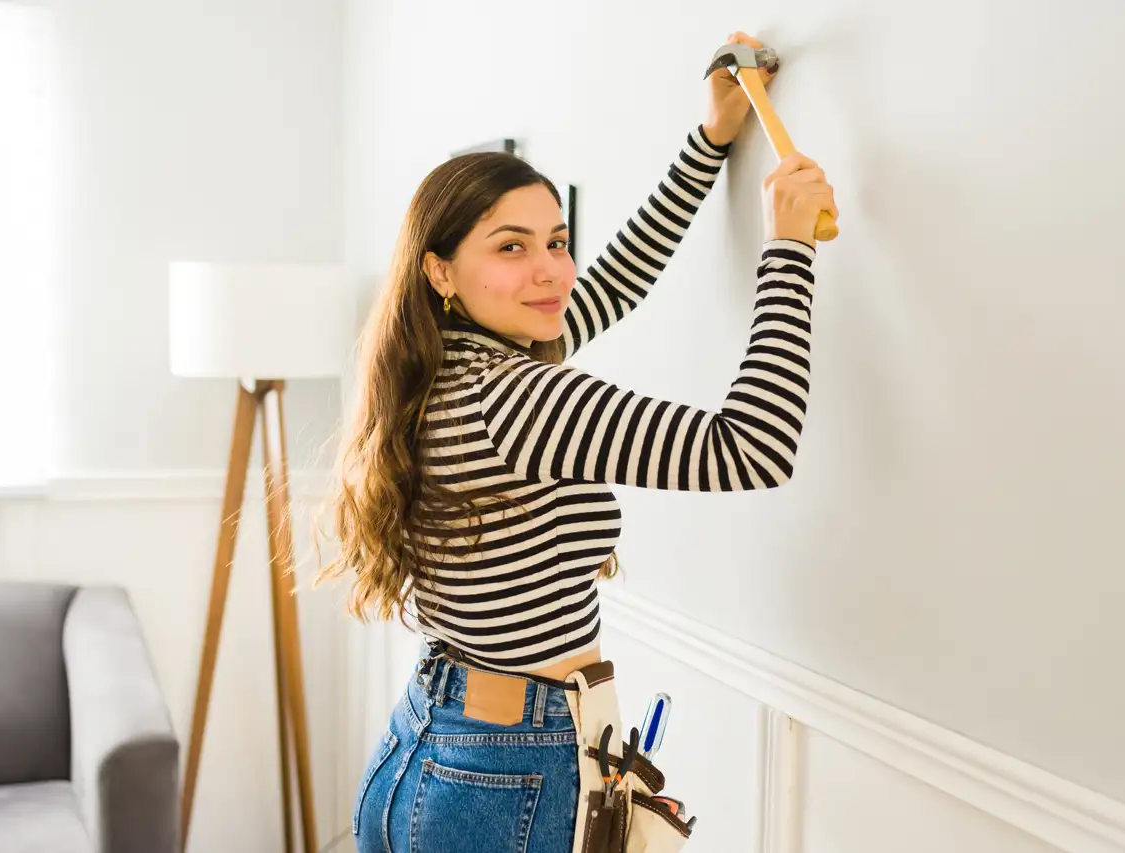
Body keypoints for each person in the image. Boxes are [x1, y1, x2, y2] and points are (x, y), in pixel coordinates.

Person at [321, 30, 836, 853]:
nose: (552, 271)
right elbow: (752, 446)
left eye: (556, 241)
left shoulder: (443, 362)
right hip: (502, 775)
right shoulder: (518, 397)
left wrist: (710, 139)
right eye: (511, 247)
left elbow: (614, 281)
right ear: (440, 270)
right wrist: (790, 247)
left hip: (433, 748)